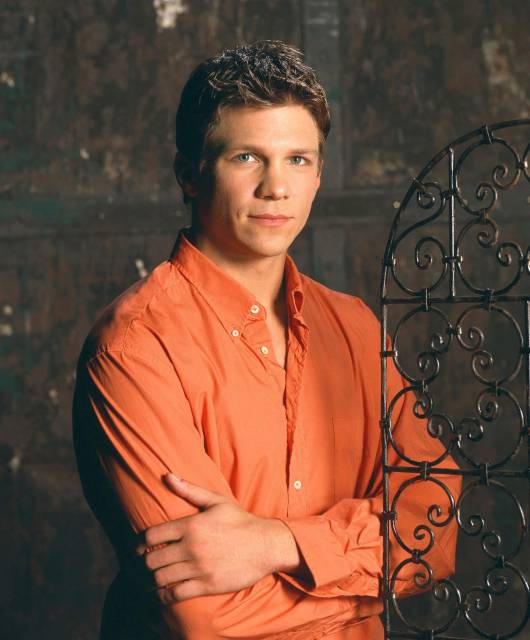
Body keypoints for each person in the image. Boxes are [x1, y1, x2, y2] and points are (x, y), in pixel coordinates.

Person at [73, 40, 460, 639]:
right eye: (247, 157)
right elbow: (207, 616)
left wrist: (277, 544)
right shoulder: (133, 349)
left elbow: (436, 532)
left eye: (298, 159)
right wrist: (364, 589)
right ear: (189, 174)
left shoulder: (357, 328)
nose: (276, 187)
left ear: (318, 177)